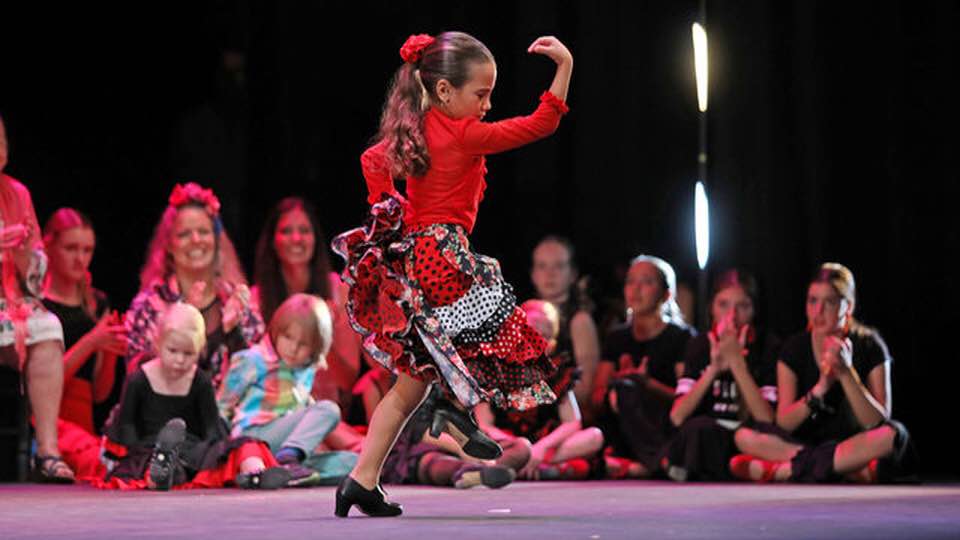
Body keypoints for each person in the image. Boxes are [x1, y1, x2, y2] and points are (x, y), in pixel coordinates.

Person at [332, 31, 573, 517]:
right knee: (496, 331)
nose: (487, 105)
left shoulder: (416, 127)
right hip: (443, 257)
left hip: (416, 259)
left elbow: (370, 159)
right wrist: (564, 66)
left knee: (408, 384)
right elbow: (541, 124)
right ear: (445, 92)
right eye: (480, 95)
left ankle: (360, 481)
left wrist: (389, 209)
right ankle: (453, 409)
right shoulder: (463, 134)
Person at [730, 263, 914, 483]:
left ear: (848, 306)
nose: (818, 311)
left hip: (855, 441)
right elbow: (784, 423)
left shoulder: (870, 345)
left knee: (891, 435)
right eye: (813, 301)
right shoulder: (794, 348)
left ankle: (786, 470)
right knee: (744, 436)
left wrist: (846, 373)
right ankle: (847, 470)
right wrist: (820, 389)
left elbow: (877, 421)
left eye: (830, 302)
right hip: (807, 443)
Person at [95, 303, 288, 490]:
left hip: (192, 449)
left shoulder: (200, 381)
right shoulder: (139, 379)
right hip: (150, 449)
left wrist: (213, 454)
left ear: (200, 349)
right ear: (158, 343)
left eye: (188, 353)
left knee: (244, 444)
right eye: (173, 351)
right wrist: (132, 452)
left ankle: (254, 473)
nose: (179, 360)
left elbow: (211, 427)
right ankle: (158, 476)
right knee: (159, 464)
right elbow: (127, 425)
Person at [126, 182, 264, 387]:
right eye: (184, 234)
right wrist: (181, 318)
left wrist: (234, 333)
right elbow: (137, 379)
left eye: (204, 231)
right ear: (169, 245)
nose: (196, 240)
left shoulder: (239, 302)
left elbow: (259, 375)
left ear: (216, 240)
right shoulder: (148, 306)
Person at [0, 114, 73, 482]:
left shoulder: (17, 194)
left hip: (7, 307)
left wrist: (22, 254)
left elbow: (37, 277)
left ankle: (46, 451)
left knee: (47, 327)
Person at [218, 293, 357, 486]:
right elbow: (222, 406)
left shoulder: (306, 370)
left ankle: (283, 473)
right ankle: (280, 462)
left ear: (316, 347)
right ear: (277, 331)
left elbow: (301, 406)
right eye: (288, 337)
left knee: (354, 463)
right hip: (256, 437)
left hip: (284, 441)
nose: (293, 348)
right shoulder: (253, 359)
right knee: (329, 409)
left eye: (303, 344)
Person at [252, 197, 366, 419]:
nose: (296, 239)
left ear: (315, 239)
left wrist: (323, 338)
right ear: (273, 241)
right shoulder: (257, 300)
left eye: (304, 230)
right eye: (286, 231)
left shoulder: (338, 290)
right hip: (275, 413)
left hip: (328, 416)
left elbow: (348, 379)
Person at [664, 269, 779, 481]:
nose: (732, 316)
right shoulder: (699, 345)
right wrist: (714, 368)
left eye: (743, 306)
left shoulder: (766, 345)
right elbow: (677, 416)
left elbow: (766, 420)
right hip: (709, 438)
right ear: (711, 308)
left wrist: (737, 364)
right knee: (698, 429)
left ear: (754, 310)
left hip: (747, 440)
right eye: (723, 305)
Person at [592, 255, 695, 478]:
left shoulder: (681, 337)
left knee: (630, 389)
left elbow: (686, 399)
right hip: (625, 426)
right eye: (630, 281)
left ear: (666, 294)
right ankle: (658, 463)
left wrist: (648, 385)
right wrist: (616, 382)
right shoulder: (617, 337)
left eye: (646, 282)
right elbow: (597, 396)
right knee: (624, 389)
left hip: (664, 424)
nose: (635, 289)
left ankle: (655, 461)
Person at [476, 300, 604, 480]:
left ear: (550, 345)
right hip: (508, 443)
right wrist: (519, 447)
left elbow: (573, 423)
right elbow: (484, 425)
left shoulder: (556, 374)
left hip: (544, 446)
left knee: (594, 437)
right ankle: (529, 465)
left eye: (544, 334)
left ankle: (529, 466)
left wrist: (540, 449)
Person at [530, 236, 601, 424]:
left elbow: (586, 388)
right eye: (542, 266)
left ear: (573, 274)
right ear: (533, 274)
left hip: (563, 417)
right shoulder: (524, 315)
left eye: (559, 266)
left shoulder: (579, 320)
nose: (550, 274)